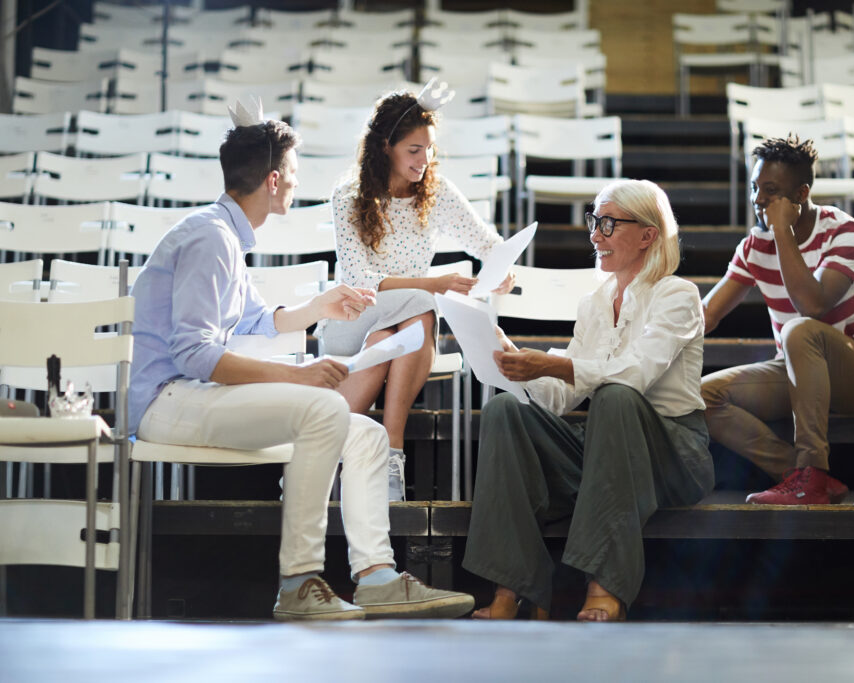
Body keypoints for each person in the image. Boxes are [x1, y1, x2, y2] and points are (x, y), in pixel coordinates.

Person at [128, 98, 474, 621]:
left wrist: (318, 308)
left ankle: (376, 577)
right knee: (326, 410)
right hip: (166, 401)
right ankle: (299, 581)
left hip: (193, 395)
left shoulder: (223, 235)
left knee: (368, 434)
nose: (295, 182)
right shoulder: (209, 236)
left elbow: (253, 322)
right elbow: (196, 353)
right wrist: (298, 376)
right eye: (291, 173)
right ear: (271, 180)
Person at [462, 179, 713, 622]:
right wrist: (514, 359)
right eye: (594, 221)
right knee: (505, 410)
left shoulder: (678, 295)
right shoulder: (595, 303)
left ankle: (605, 586)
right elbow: (563, 397)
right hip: (607, 449)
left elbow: (636, 375)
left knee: (616, 398)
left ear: (648, 235)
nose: (595, 234)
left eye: (609, 223)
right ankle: (511, 589)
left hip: (673, 452)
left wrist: (553, 365)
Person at [321, 81, 514, 502]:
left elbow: (486, 241)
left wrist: (501, 268)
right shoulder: (349, 195)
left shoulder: (436, 191)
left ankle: (338, 459)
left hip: (398, 330)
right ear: (386, 146)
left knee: (387, 338)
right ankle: (392, 447)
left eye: (429, 149)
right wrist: (435, 284)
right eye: (413, 150)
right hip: (351, 317)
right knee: (421, 305)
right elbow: (359, 278)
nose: (424, 160)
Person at [701, 135, 854, 505]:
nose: (758, 200)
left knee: (800, 329)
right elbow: (707, 315)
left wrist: (782, 233)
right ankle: (797, 474)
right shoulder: (754, 247)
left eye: (771, 191)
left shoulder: (845, 232)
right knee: (702, 397)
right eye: (755, 187)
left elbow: (813, 304)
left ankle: (812, 472)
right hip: (797, 371)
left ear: (801, 194)